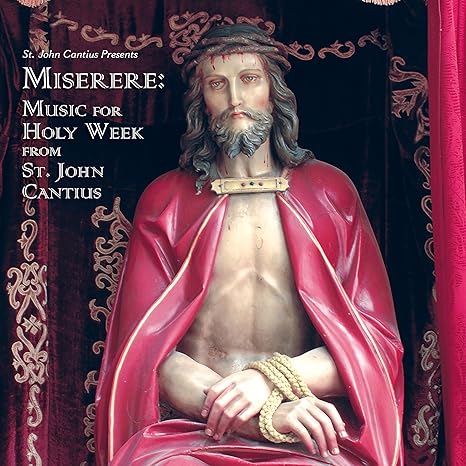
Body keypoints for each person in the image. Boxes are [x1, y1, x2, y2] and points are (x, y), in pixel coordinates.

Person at [95, 24, 404, 466]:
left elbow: (375, 343)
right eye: (217, 85)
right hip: (193, 430)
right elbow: (145, 352)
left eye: (250, 79)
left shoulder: (330, 193)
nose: (235, 98)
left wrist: (270, 380)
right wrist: (260, 416)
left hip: (309, 425)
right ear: (202, 102)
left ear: (274, 94)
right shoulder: (167, 201)